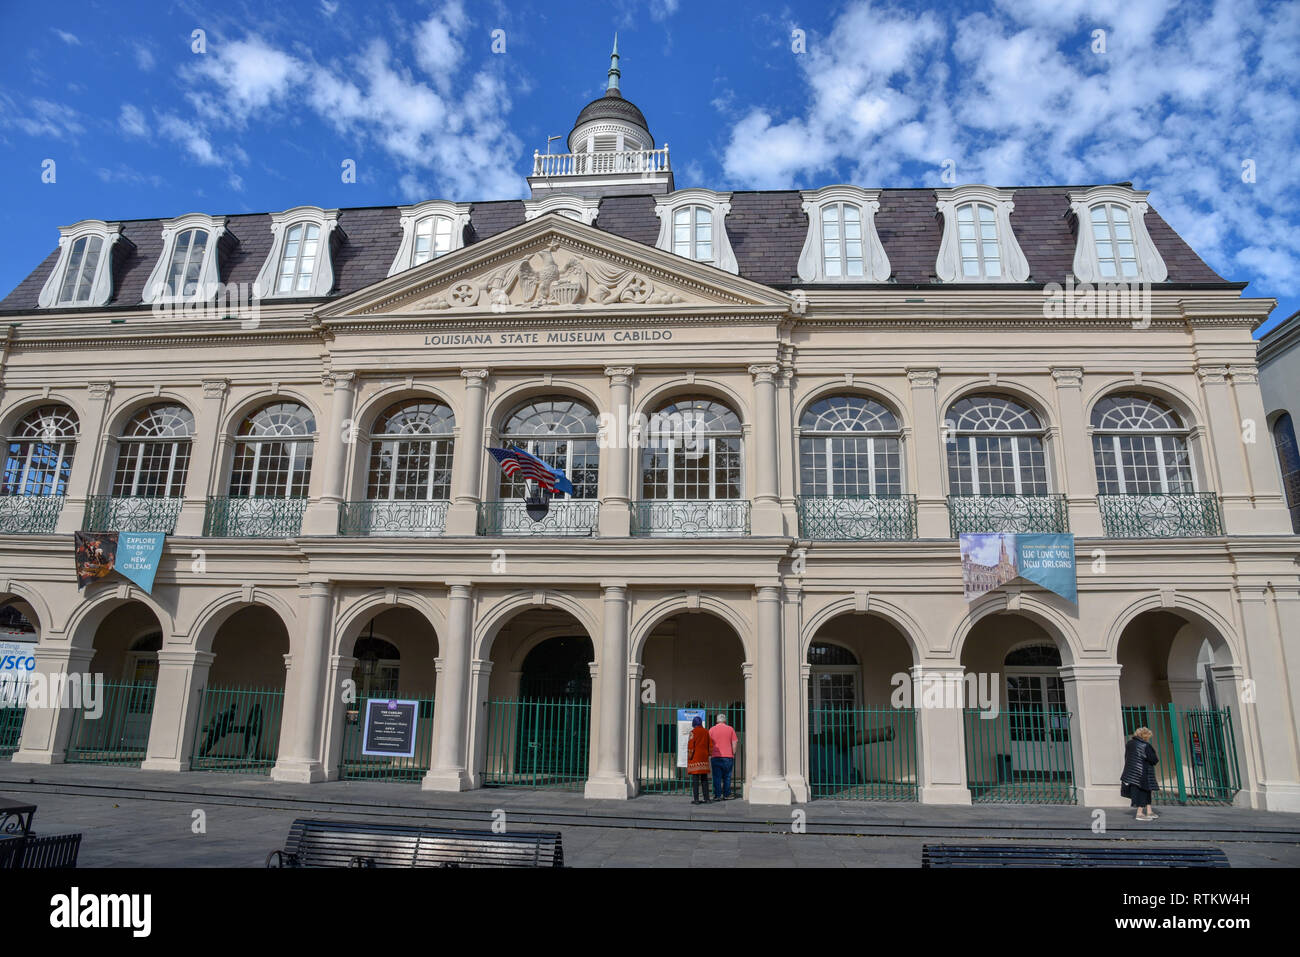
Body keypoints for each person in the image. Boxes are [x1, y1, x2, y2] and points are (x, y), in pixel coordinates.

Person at [1121, 726, 1160, 821]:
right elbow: (1154, 759)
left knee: (1146, 791)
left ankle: (1149, 811)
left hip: (1132, 773)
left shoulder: (1130, 744)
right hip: (1143, 772)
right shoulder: (1146, 746)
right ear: (1145, 736)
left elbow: (1127, 757)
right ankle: (1139, 814)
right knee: (1143, 792)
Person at [708, 712, 739, 800]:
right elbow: (734, 742)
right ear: (725, 720)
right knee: (727, 776)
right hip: (728, 756)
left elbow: (709, 742)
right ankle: (726, 794)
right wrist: (733, 752)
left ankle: (717, 795)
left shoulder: (712, 729)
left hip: (715, 756)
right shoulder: (730, 729)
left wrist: (710, 753)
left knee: (716, 777)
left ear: (717, 720)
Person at [686, 716, 711, 804]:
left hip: (695, 758)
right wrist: (709, 754)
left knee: (695, 780)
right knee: (704, 779)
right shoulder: (706, 732)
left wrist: (689, 756)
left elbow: (691, 746)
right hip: (704, 759)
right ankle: (707, 798)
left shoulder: (693, 732)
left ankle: (696, 799)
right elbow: (710, 745)